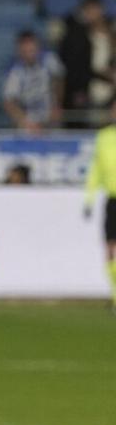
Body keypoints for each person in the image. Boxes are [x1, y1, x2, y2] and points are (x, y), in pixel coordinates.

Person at [83, 100, 116, 310]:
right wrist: (89, 198)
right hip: (113, 200)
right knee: (110, 249)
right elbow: (96, 170)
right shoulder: (103, 137)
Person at [3, 30, 64, 133]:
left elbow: (59, 79)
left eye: (32, 49)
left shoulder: (49, 60)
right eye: (25, 50)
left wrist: (57, 104)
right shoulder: (15, 71)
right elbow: (8, 102)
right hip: (29, 124)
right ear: (19, 50)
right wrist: (25, 121)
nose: (30, 53)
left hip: (50, 120)